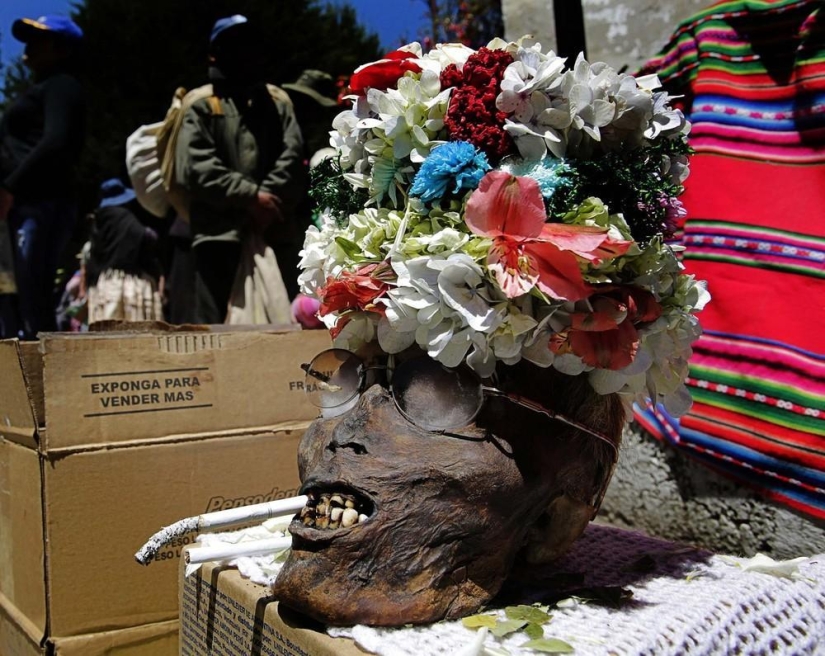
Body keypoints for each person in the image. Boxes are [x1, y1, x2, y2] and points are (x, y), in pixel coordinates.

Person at [174, 14, 305, 324]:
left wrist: (267, 200)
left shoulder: (277, 102)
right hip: (219, 237)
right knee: (215, 325)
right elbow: (194, 167)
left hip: (273, 232)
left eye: (249, 45)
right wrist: (250, 197)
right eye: (233, 45)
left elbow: (292, 154)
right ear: (214, 54)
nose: (244, 53)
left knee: (279, 318)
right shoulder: (202, 105)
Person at [0, 15, 86, 339]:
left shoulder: (62, 86)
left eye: (39, 38)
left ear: (61, 48)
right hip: (23, 206)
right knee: (15, 296)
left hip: (37, 204)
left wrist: (10, 187)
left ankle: (37, 379)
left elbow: (56, 140)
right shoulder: (44, 88)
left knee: (30, 295)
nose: (28, 47)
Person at [85, 179, 163, 324]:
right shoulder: (125, 217)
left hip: (104, 286)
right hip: (130, 284)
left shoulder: (98, 221)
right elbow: (148, 236)